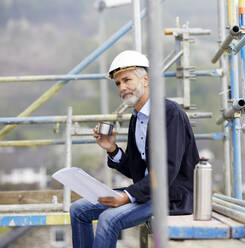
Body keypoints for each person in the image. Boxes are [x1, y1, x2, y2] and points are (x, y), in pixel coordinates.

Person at [69, 50, 200, 248]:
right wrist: (112, 149)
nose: (122, 87)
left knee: (108, 220)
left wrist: (127, 196)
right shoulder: (137, 117)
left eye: (127, 80)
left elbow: (166, 171)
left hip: (169, 195)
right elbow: (134, 169)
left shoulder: (170, 113)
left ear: (145, 80)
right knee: (78, 209)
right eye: (118, 83)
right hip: (144, 191)